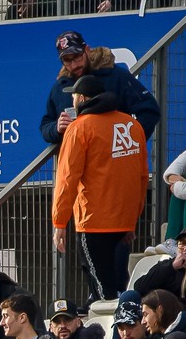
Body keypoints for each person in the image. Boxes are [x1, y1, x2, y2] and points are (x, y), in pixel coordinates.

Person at [52, 74, 149, 301]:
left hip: (93, 222)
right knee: (116, 283)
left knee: (102, 291)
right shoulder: (132, 125)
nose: (73, 101)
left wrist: (59, 222)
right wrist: (133, 218)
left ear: (82, 98)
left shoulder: (80, 128)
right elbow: (142, 177)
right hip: (124, 221)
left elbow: (67, 178)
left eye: (74, 96)